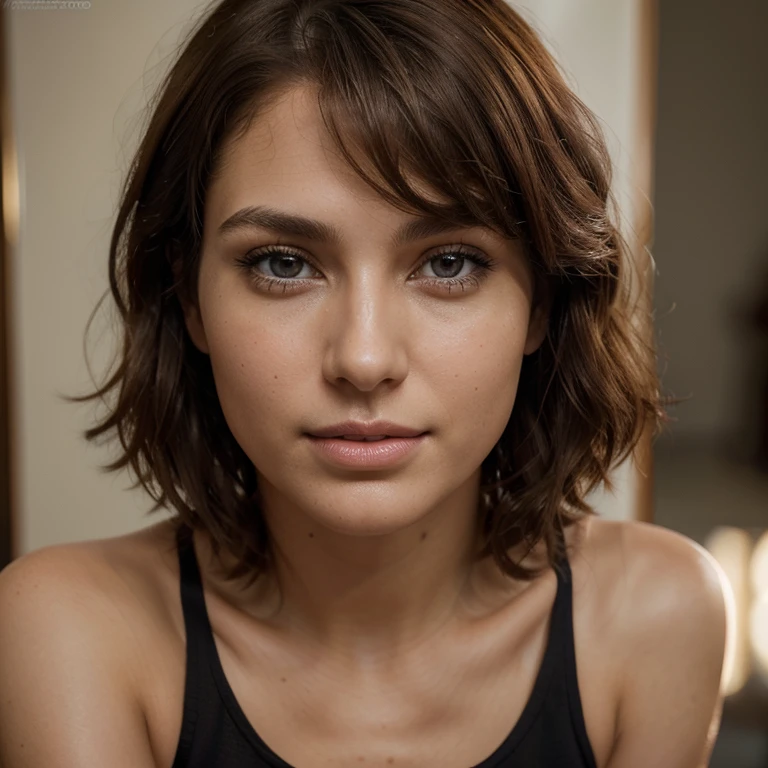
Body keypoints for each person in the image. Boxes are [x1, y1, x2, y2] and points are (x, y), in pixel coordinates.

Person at [0, 0, 727, 766]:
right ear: (190, 299)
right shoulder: (65, 629)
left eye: (449, 263)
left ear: (541, 302)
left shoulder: (657, 616)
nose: (365, 358)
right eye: (284, 263)